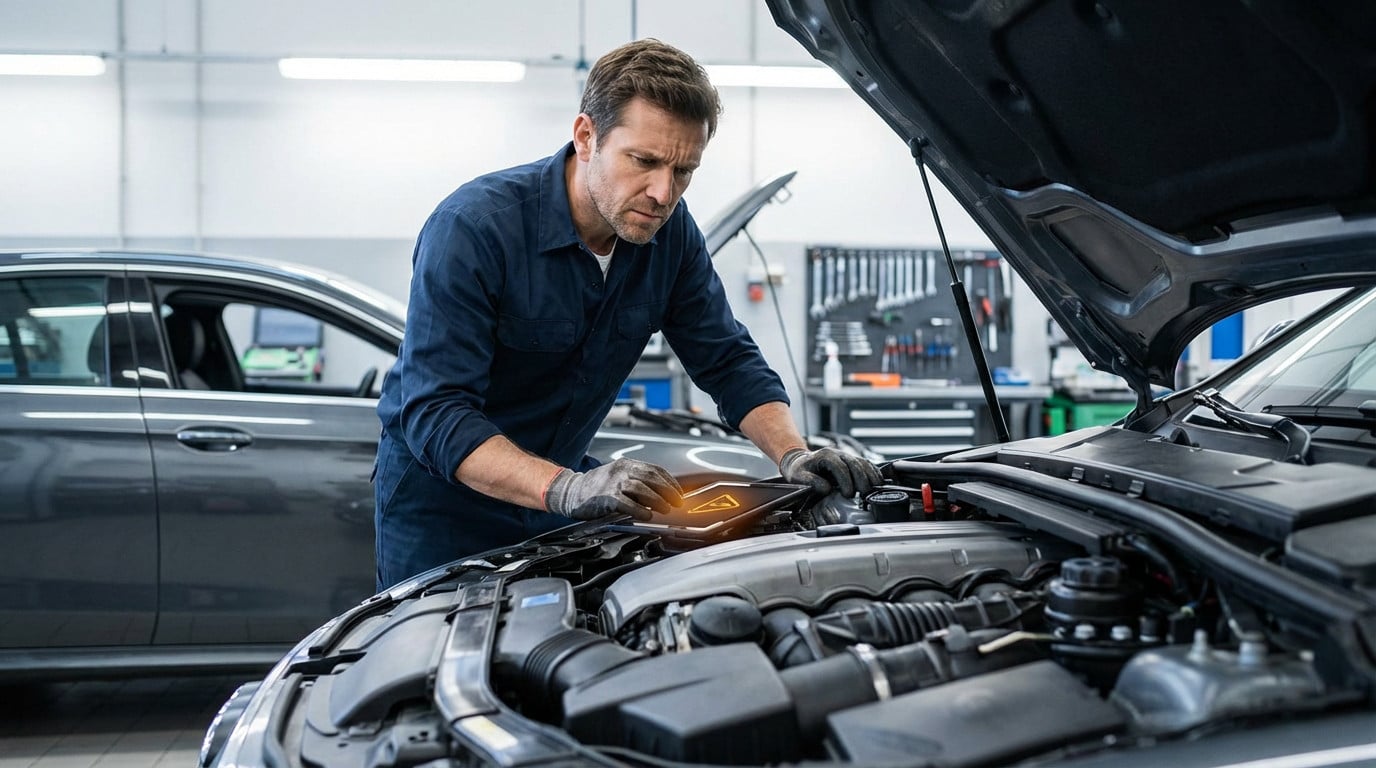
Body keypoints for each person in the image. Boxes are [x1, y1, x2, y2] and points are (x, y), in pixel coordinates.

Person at [373, 38, 881, 590]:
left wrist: (793, 455)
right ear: (586, 137)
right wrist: (568, 488)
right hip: (444, 512)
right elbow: (437, 412)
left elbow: (726, 359)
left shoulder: (671, 235)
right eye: (644, 161)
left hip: (561, 499)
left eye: (684, 170)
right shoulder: (475, 228)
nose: (664, 193)